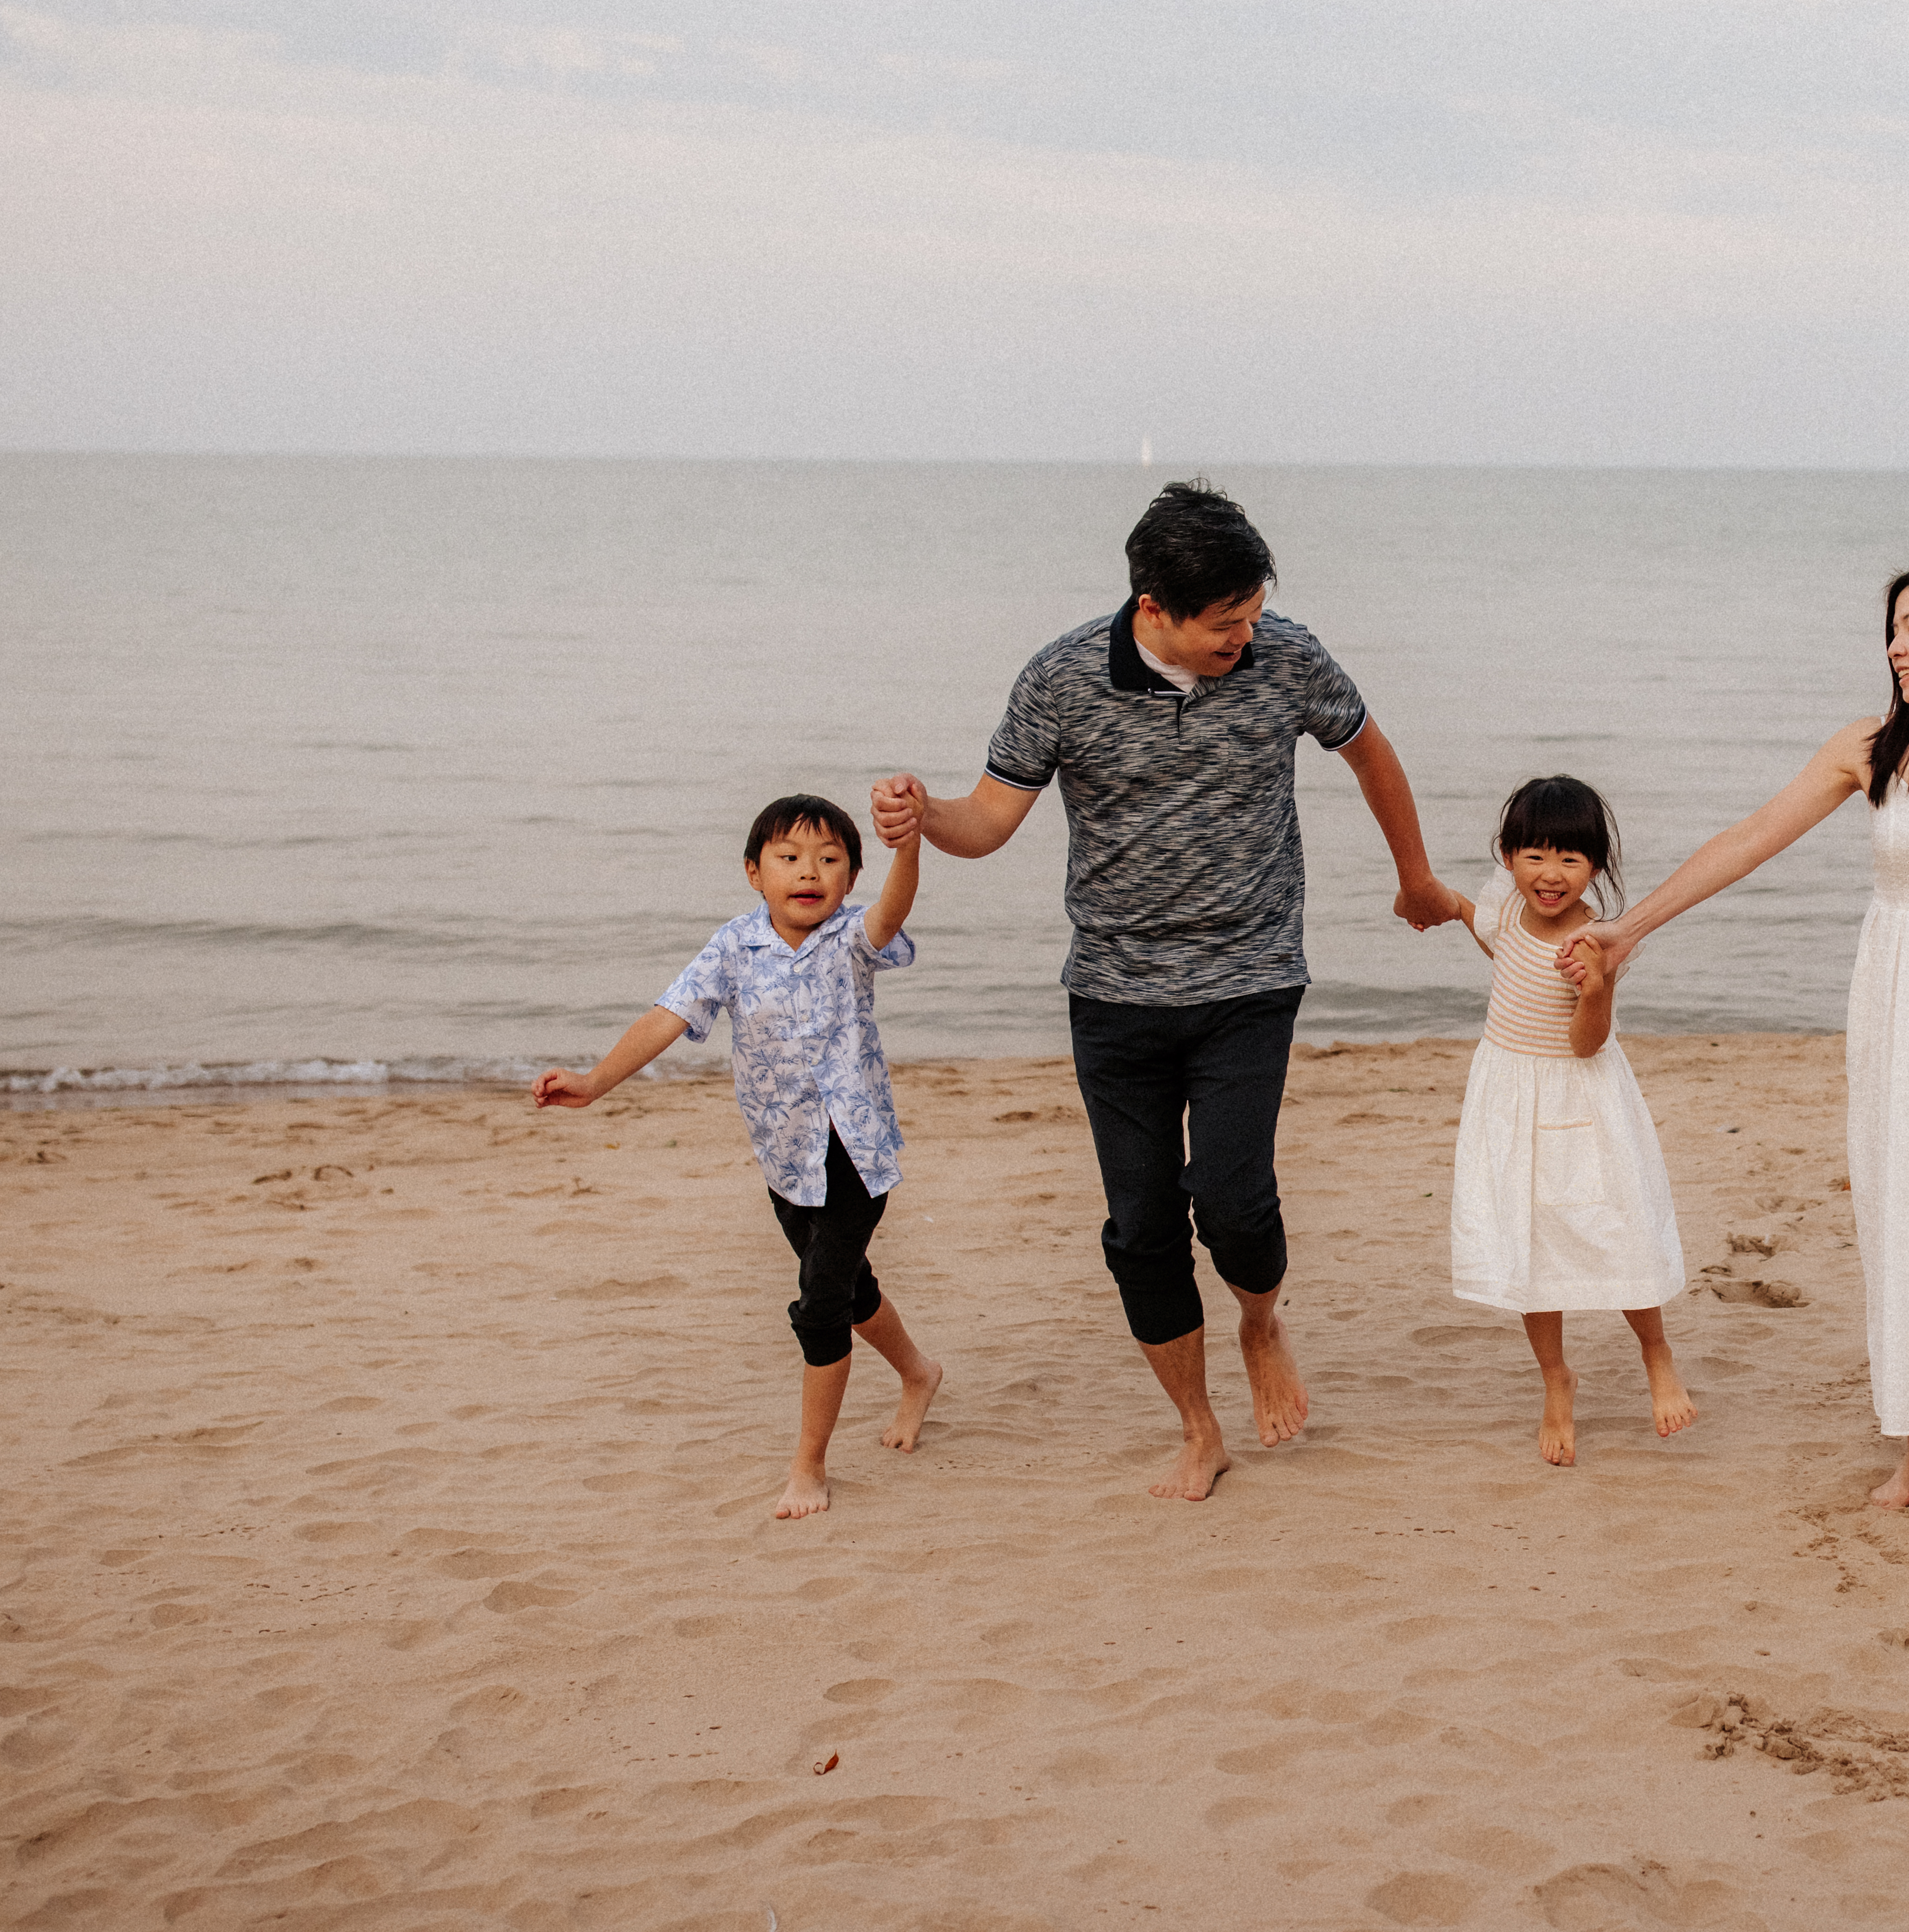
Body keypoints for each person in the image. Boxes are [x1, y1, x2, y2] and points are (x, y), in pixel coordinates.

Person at [870, 482, 1463, 1502]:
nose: (1247, 635)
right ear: (1154, 609)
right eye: (1225, 624)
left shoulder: (1286, 656)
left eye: (1254, 612)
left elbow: (1370, 751)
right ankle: (1198, 1428)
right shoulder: (1059, 680)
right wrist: (921, 814)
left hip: (1250, 974)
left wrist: (1413, 875)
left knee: (1232, 1202)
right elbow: (988, 824)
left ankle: (1260, 1320)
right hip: (1113, 992)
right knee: (1139, 1231)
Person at [1564, 557, 1909, 1510]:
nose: (1894, 646)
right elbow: (1750, 838)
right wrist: (1629, 929)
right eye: (1892, 628)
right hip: (1902, 1000)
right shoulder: (1871, 749)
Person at [531, 794, 945, 1522]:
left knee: (819, 1306)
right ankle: (919, 1372)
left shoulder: (853, 936)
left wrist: (908, 848)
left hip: (853, 1153)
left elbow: (893, 910)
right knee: (850, 1293)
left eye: (828, 859)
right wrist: (595, 1081)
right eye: (789, 858)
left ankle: (808, 1465)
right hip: (785, 1161)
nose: (808, 871)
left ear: (850, 879)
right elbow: (669, 1016)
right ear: (755, 872)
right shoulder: (733, 946)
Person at [1443, 777, 1696, 1466]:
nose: (1550, 875)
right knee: (1531, 1244)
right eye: (1533, 856)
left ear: (1596, 866)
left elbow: (1587, 1042)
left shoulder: (1594, 942)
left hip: (1580, 1097)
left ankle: (1656, 1351)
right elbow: (1485, 927)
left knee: (1618, 1229)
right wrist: (1437, 901)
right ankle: (1556, 1376)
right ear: (1507, 856)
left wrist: (1594, 989)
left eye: (1570, 859)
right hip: (1507, 1094)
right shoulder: (1503, 902)